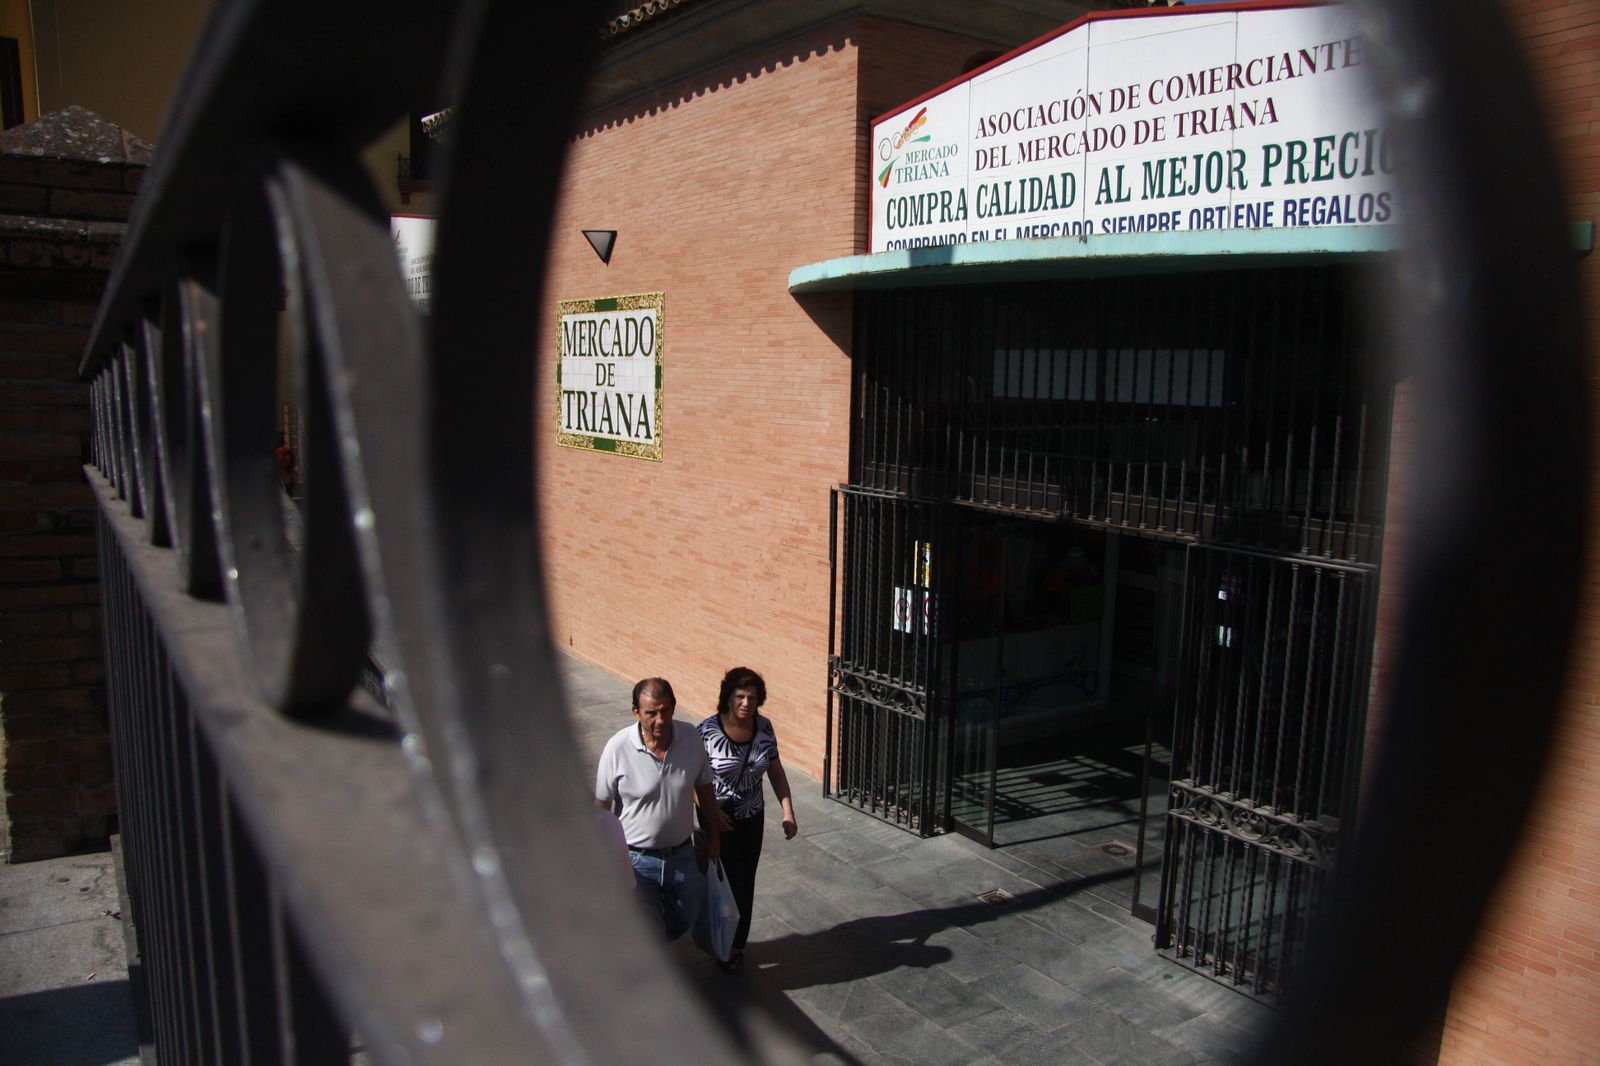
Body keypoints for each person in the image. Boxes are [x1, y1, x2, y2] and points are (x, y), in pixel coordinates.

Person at [595, 678, 721, 941]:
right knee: (649, 930)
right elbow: (602, 807)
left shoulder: (691, 738)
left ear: (674, 707)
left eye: (665, 710)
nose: (660, 720)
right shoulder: (617, 748)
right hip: (636, 861)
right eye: (651, 713)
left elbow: (705, 789)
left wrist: (714, 836)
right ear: (637, 712)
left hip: (683, 855)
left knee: (687, 915)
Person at [696, 666, 797, 972]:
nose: (746, 703)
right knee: (729, 883)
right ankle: (719, 940)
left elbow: (776, 772)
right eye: (739, 696)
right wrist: (711, 813)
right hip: (718, 816)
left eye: (752, 697)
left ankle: (736, 945)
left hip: (752, 815)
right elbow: (688, 780)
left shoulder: (764, 728)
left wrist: (788, 811)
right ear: (727, 698)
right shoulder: (706, 731)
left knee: (746, 881)